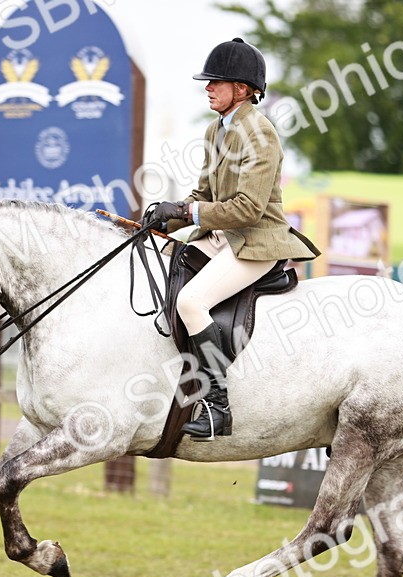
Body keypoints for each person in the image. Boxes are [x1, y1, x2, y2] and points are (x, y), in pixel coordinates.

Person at [141, 37, 319, 441]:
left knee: (191, 300)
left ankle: (218, 405)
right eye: (207, 82)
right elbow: (204, 194)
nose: (207, 88)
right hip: (222, 236)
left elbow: (247, 209)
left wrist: (187, 213)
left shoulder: (259, 133)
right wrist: (166, 218)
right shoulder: (215, 130)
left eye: (215, 82)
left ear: (242, 88)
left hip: (255, 240)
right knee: (159, 263)